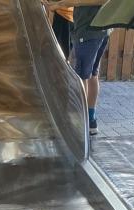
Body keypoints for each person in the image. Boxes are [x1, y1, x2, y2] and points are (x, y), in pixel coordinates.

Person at [44, 1, 109, 135]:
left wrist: (57, 5)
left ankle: (79, 123)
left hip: (88, 32)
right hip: (101, 31)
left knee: (80, 77)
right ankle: (90, 120)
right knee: (92, 74)